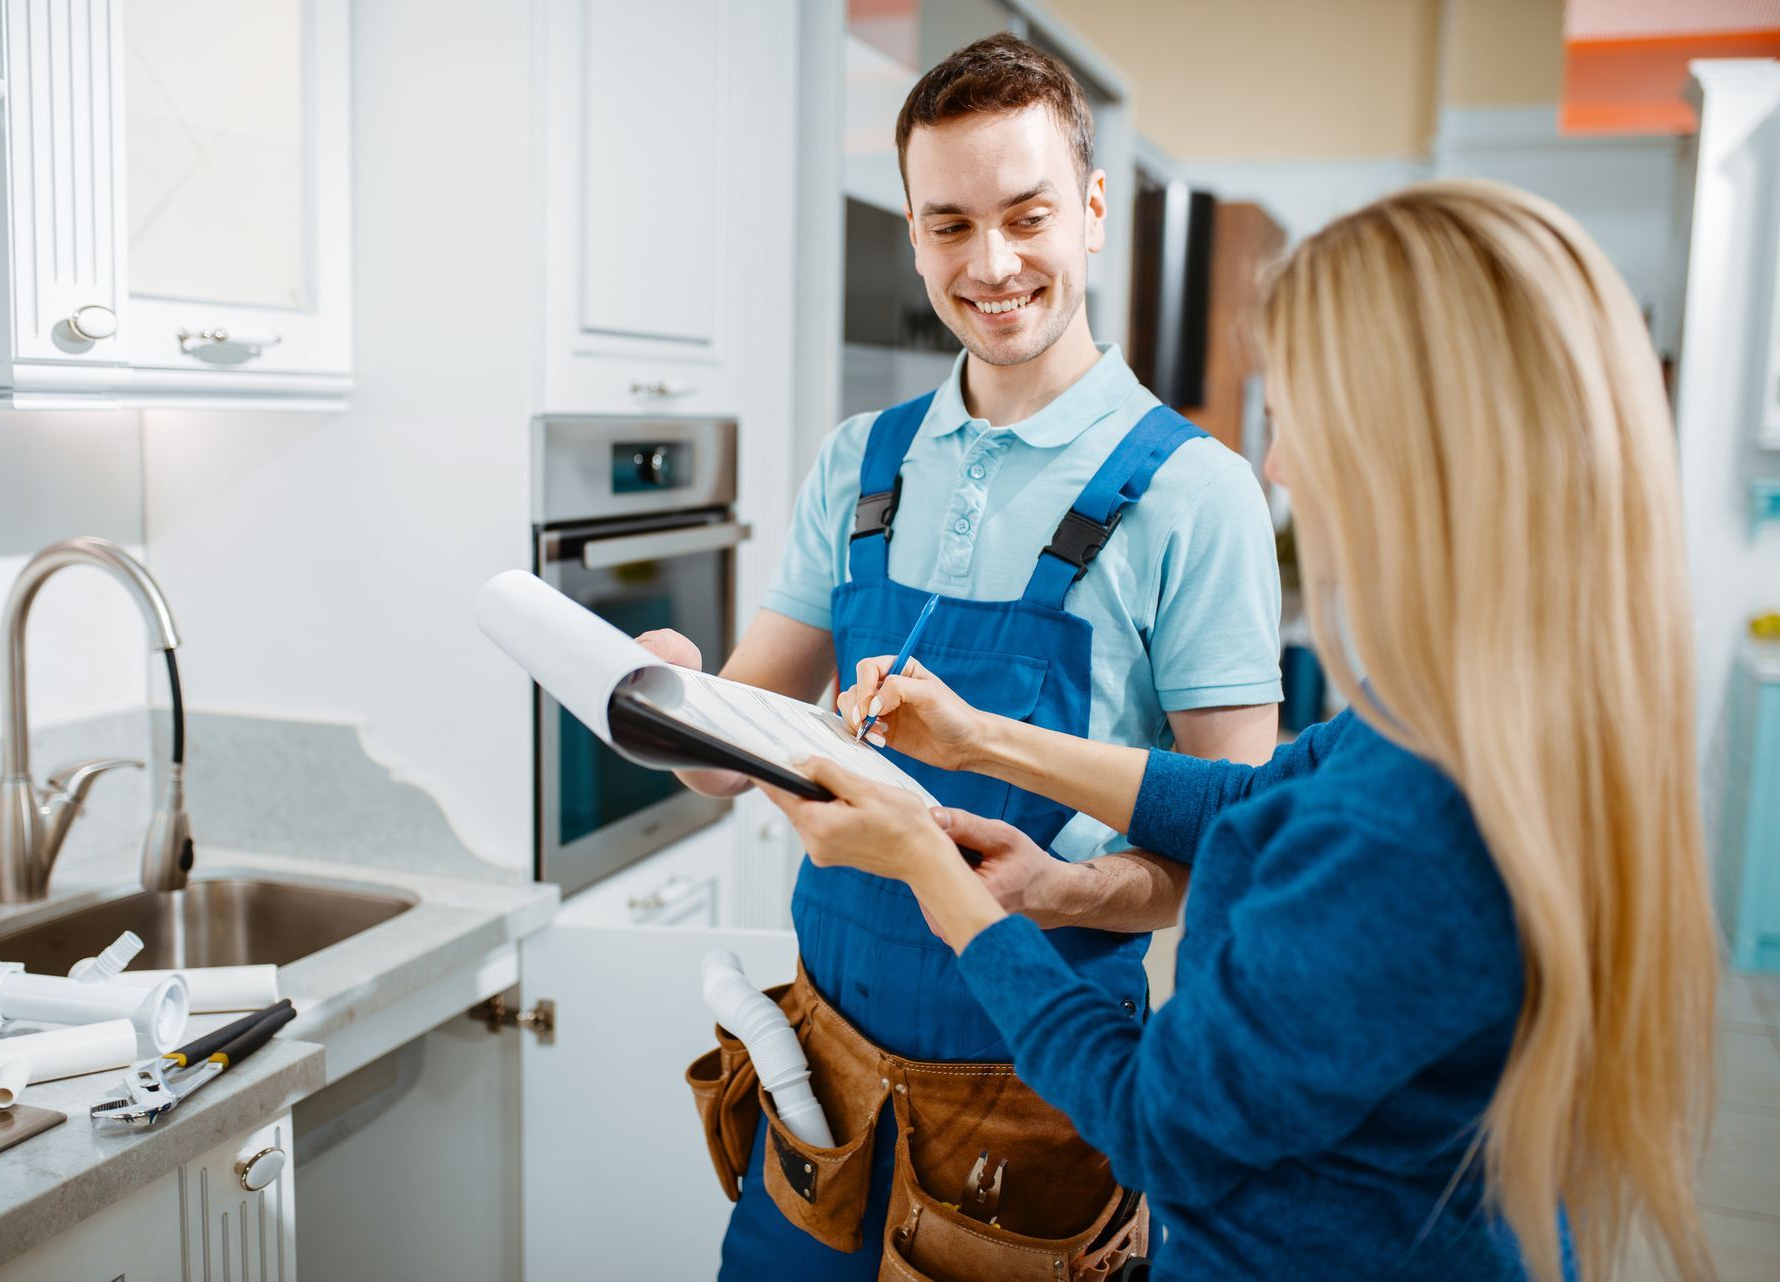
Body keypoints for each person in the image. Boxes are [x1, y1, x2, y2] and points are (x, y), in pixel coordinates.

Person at [765, 181, 1719, 1282]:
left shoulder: (1406, 829)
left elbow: (1157, 1117)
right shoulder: (1472, 722)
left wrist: (932, 867)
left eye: (1301, 417)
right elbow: (1250, 800)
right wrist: (983, 741)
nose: (1280, 465)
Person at [644, 33, 1282, 1280]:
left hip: (1037, 1102)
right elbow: (732, 758)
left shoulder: (1197, 497)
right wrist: (668, 703)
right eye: (948, 226)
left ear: (1094, 212)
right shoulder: (860, 462)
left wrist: (1063, 890)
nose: (990, 265)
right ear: (914, 230)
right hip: (815, 1082)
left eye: (1027, 215)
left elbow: (1240, 855)